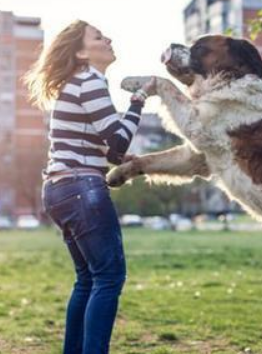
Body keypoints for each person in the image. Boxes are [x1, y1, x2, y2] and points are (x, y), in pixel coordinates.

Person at [24, 20, 155, 354]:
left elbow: (112, 151)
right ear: (82, 52)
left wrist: (125, 155)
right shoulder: (89, 81)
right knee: (109, 278)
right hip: (82, 188)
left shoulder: (79, 83)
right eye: (98, 36)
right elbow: (118, 139)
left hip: (60, 189)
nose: (108, 38)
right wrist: (139, 100)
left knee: (88, 280)